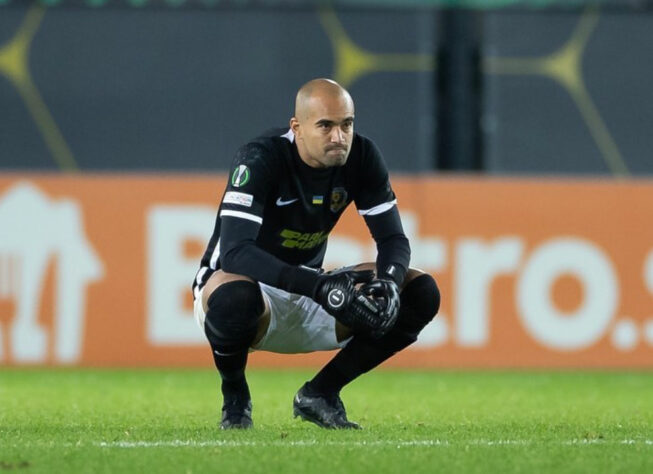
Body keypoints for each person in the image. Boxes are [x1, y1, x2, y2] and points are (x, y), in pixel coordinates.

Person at [192, 78, 440, 430]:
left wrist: (388, 281)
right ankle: (235, 399)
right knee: (235, 297)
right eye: (325, 125)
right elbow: (235, 254)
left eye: (346, 124)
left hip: (311, 291)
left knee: (420, 292)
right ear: (298, 128)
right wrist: (319, 285)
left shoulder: (363, 156)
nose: (339, 137)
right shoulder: (261, 157)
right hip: (253, 294)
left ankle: (321, 393)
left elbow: (393, 240)